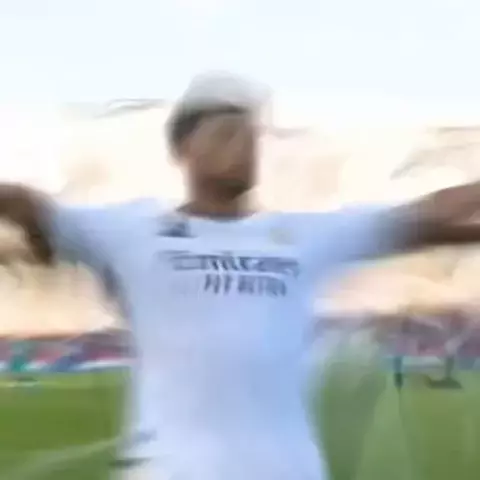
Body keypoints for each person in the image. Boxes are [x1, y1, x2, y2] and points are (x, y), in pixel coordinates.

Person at [4, 72, 480, 480]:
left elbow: (427, 215)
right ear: (183, 148)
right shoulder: (131, 231)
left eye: (250, 138)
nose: (244, 148)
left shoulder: (303, 236)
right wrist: (30, 227)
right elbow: (32, 207)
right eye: (225, 134)